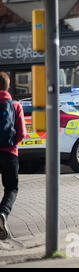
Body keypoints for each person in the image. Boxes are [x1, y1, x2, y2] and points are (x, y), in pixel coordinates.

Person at [0, 72, 26, 240]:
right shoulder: (15, 105)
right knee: (11, 188)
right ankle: (3, 213)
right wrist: (12, 143)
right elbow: (22, 132)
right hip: (9, 153)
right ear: (8, 86)